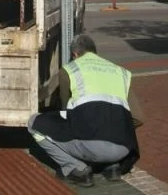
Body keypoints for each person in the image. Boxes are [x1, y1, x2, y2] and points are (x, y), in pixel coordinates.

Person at [28, 34, 143, 188]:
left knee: (34, 123)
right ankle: (112, 166)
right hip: (123, 149)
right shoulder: (119, 71)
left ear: (75, 54)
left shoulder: (70, 69)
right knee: (111, 125)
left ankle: (76, 169)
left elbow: (66, 113)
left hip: (92, 146)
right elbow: (139, 117)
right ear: (94, 52)